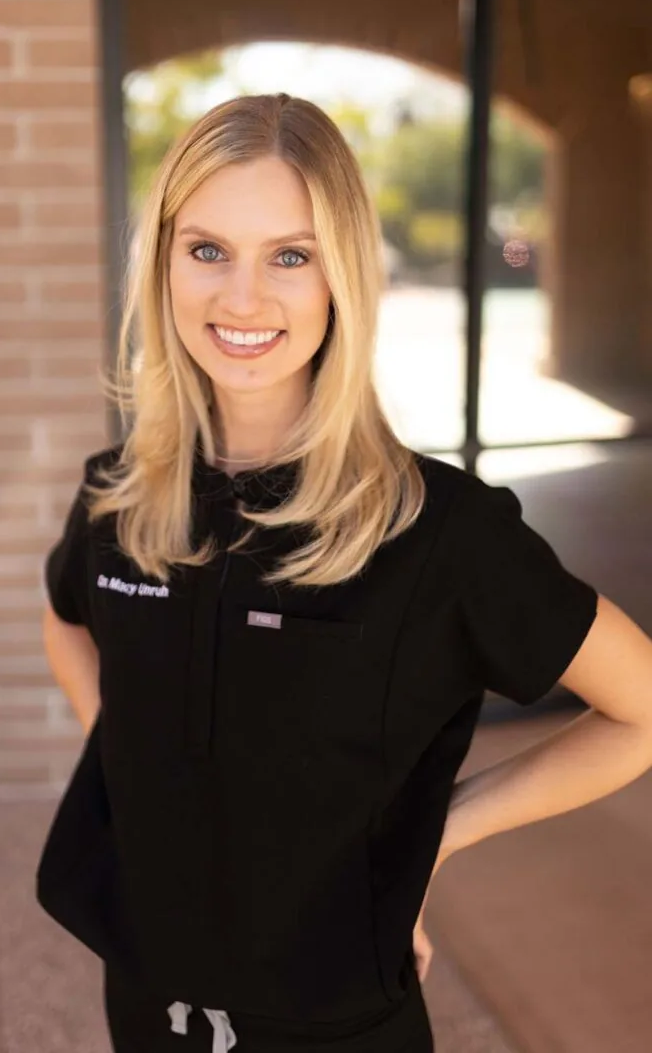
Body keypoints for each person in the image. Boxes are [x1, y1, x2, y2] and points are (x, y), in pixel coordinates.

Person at [36, 93, 652, 1053]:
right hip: (148, 992)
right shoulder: (120, 493)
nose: (243, 299)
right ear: (161, 265)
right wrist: (139, 765)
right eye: (207, 250)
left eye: (291, 254)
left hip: (335, 1021)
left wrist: (429, 841)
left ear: (343, 278)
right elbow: (66, 620)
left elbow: (639, 709)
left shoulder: (438, 530)